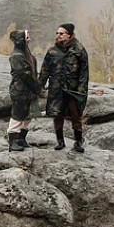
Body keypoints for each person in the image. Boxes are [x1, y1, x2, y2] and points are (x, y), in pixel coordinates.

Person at [39, 22, 90, 153]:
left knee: (76, 116)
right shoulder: (52, 51)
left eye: (61, 33)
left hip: (73, 90)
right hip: (56, 89)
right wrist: (39, 87)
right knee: (57, 115)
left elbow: (84, 72)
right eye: (57, 33)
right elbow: (45, 70)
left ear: (70, 35)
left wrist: (81, 89)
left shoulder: (79, 49)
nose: (58, 36)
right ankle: (60, 142)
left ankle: (78, 142)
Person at [7, 29, 42, 151]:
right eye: (27, 38)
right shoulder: (17, 57)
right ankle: (13, 142)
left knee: (27, 116)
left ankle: (21, 139)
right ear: (21, 40)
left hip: (29, 92)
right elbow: (25, 75)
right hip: (20, 91)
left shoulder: (26, 54)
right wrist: (38, 87)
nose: (30, 39)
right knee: (17, 116)